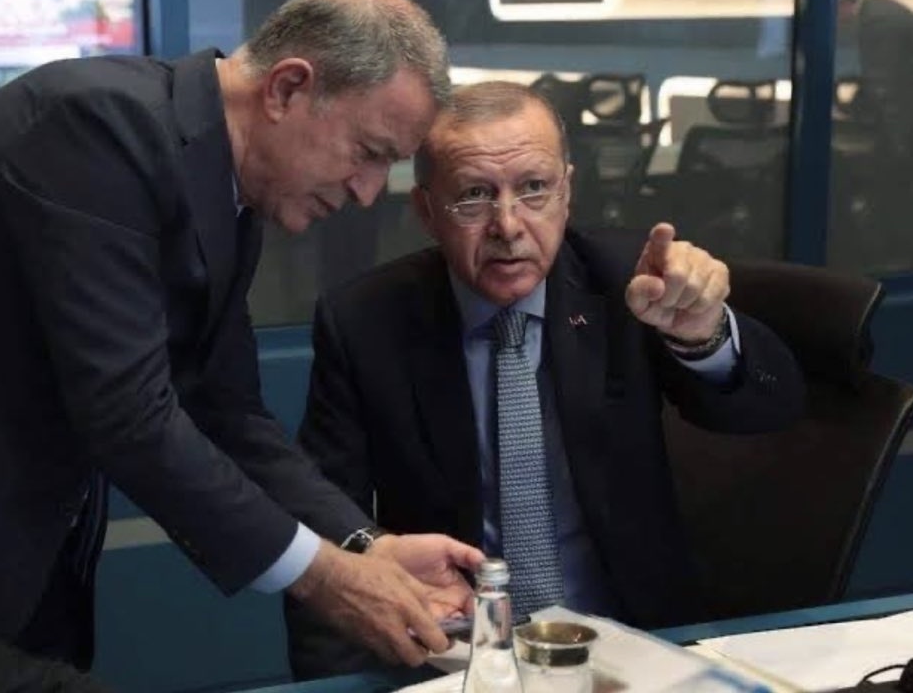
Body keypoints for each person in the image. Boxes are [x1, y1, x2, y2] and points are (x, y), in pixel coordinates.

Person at [0, 0, 485, 675]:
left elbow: (225, 411)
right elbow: (129, 414)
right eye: (368, 151)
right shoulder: (97, 125)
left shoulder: (231, 185)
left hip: (37, 564)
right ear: (287, 88)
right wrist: (323, 576)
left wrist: (363, 546)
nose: (369, 192)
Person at [284, 81, 806, 678]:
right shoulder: (366, 321)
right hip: (458, 662)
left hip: (636, 647)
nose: (508, 226)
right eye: (474, 196)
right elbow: (327, 528)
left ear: (566, 192)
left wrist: (703, 334)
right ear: (426, 211)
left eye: (534, 188)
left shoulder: (630, 282)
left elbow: (773, 406)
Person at [837, 0, 913, 156]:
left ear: (842, 2)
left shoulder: (878, 20)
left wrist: (895, 142)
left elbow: (883, 81)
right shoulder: (875, 9)